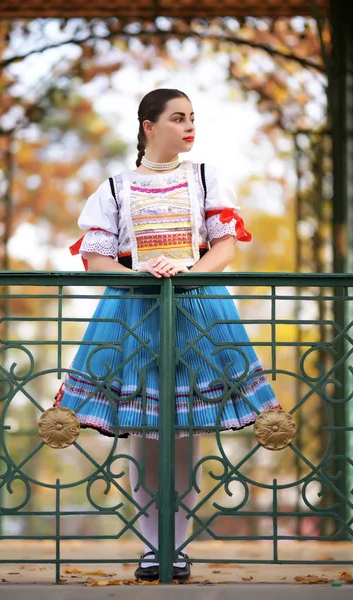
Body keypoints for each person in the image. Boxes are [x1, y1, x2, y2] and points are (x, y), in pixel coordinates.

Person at [54, 88, 281, 581]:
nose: (189, 126)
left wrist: (186, 269)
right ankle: (151, 546)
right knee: (146, 429)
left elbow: (225, 249)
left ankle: (177, 546)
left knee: (184, 427)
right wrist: (142, 273)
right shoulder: (114, 188)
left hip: (198, 306)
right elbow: (95, 260)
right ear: (148, 126)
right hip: (135, 310)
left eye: (192, 118)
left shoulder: (205, 179)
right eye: (178, 118)